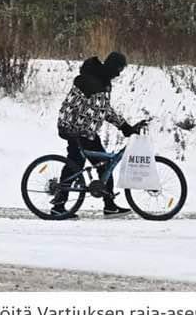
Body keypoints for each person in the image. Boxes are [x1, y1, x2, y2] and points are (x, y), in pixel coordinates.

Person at [51, 51, 144, 218]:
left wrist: (125, 127)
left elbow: (104, 110)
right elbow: (68, 105)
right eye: (118, 69)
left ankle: (109, 205)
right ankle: (58, 206)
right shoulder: (87, 80)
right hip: (75, 132)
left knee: (105, 165)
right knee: (75, 166)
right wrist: (65, 128)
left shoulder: (104, 82)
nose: (118, 73)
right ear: (112, 66)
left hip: (89, 133)